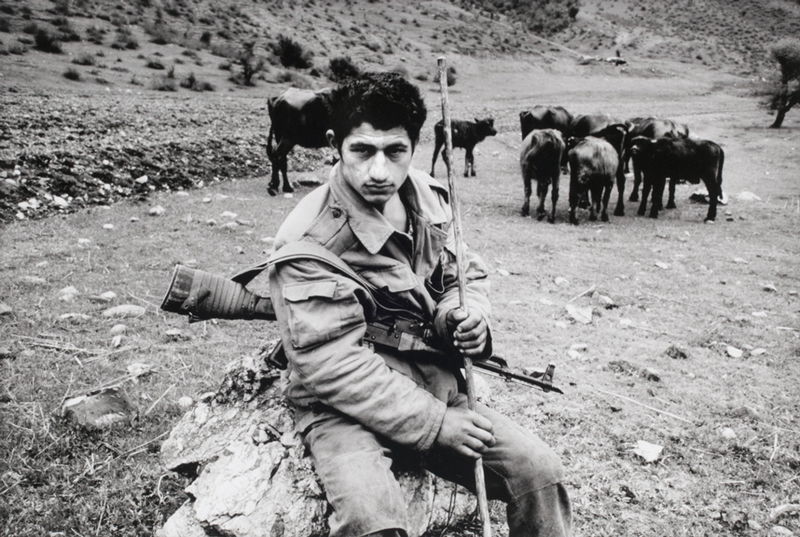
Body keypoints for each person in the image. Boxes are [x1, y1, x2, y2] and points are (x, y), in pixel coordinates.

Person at [268, 72, 571, 537]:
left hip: (433, 382)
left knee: (538, 472)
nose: (380, 171)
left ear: (414, 145)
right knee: (372, 521)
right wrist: (436, 424)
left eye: (396, 151)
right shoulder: (307, 241)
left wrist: (463, 317)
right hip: (344, 409)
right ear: (335, 143)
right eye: (362, 150)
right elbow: (330, 364)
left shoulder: (425, 197)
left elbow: (460, 274)